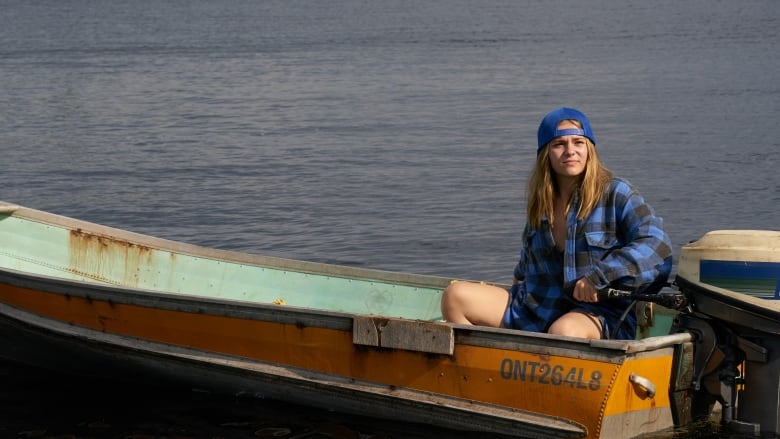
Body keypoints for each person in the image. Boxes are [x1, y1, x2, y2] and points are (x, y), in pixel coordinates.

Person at [440, 107, 672, 340]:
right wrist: (519, 275)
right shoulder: (541, 201)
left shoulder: (616, 193)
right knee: (455, 295)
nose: (570, 151)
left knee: (563, 331)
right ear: (546, 153)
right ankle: (486, 367)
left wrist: (599, 277)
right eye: (559, 144)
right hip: (535, 308)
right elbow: (526, 260)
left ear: (589, 149)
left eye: (578, 143)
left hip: (597, 314)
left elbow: (658, 245)